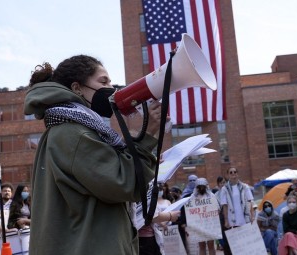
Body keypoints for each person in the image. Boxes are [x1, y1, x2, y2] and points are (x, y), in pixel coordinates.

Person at [24, 55, 162, 255]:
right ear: (77, 88)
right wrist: (146, 137)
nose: (111, 88)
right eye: (103, 81)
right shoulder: (75, 134)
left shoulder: (71, 130)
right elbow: (127, 183)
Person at [219, 167, 254, 255]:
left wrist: (252, 216)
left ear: (237, 174)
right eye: (231, 172)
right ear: (228, 175)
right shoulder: (224, 189)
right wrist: (226, 220)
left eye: (235, 172)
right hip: (232, 220)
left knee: (245, 242)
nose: (233, 173)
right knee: (235, 244)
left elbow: (250, 201)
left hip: (244, 218)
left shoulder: (245, 186)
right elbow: (224, 205)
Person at [138, 182, 180, 255]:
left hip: (145, 237)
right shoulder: (145, 187)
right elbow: (152, 216)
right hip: (145, 239)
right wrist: (170, 216)